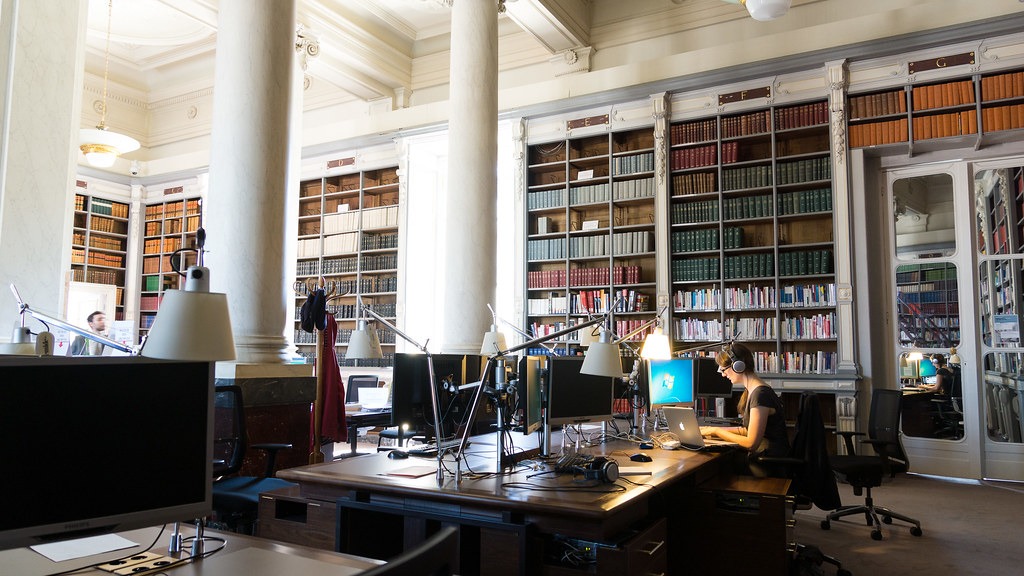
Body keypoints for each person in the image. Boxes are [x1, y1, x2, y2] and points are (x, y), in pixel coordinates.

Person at [699, 342, 790, 477]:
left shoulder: (760, 395)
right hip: (763, 457)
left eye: (723, 370)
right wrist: (711, 430)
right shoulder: (754, 390)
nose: (723, 375)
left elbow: (751, 443)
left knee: (713, 469)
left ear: (738, 366)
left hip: (767, 464)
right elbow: (748, 430)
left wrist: (717, 431)